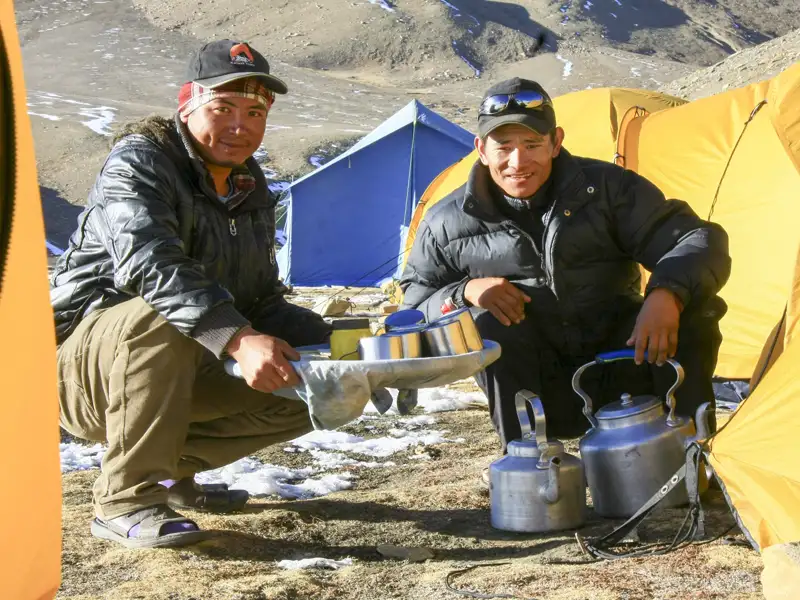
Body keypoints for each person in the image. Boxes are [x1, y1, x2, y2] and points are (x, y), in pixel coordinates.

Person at [51, 40, 332, 548]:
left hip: (178, 365)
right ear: (188, 104)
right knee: (165, 315)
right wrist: (237, 339)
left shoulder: (247, 185)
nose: (239, 126)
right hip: (82, 367)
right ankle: (125, 497)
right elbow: (150, 267)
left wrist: (347, 355)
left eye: (254, 112)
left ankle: (167, 473)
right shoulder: (139, 163)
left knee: (316, 388)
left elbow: (261, 299)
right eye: (221, 108)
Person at [400, 78, 731, 466]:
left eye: (532, 145)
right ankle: (526, 465)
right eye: (503, 147)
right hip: (537, 388)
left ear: (556, 142)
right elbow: (414, 306)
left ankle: (692, 455)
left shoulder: (608, 190)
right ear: (481, 150)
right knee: (487, 324)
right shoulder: (447, 221)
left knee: (695, 305)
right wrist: (465, 292)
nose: (517, 163)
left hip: (625, 361)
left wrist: (666, 294)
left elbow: (696, 238)